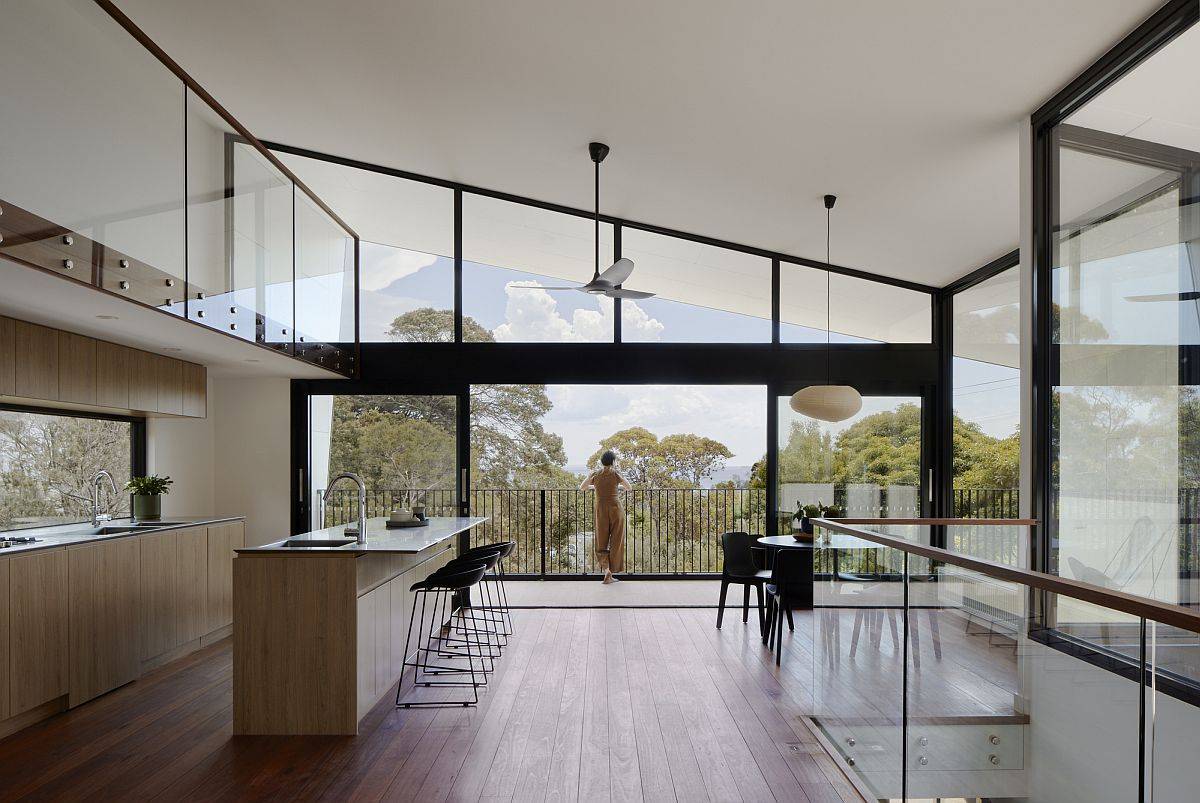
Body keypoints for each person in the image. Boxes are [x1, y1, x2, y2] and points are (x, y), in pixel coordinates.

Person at [580, 450, 632, 584]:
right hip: (616, 509)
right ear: (613, 462)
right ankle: (612, 572)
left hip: (601, 509)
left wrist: (593, 483)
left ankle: (606, 570)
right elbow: (629, 488)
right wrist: (618, 482)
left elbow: (582, 487)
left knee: (601, 541)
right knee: (617, 541)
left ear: (602, 461)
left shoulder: (595, 475)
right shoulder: (615, 474)